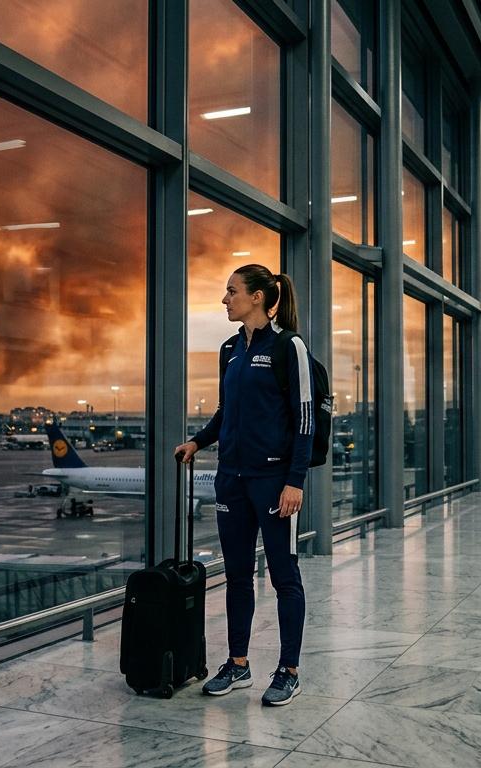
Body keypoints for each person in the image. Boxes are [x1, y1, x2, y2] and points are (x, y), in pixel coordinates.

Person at [175, 263, 311, 707]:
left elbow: (305, 418)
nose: (225, 299)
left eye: (231, 291)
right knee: (236, 576)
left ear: (258, 297)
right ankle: (238, 663)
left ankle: (288, 670)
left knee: (283, 576)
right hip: (231, 479)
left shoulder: (289, 346)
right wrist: (198, 440)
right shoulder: (229, 349)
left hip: (274, 482)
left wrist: (295, 481)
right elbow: (226, 410)